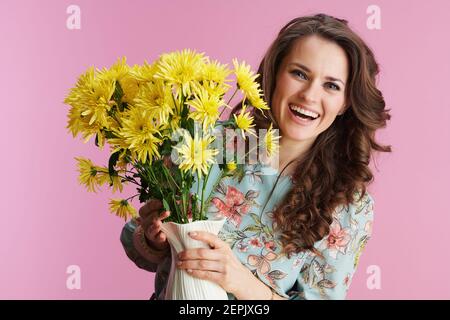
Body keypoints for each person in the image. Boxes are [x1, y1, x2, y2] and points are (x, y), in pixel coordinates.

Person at [120, 13, 391, 300]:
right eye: (299, 73)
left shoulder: (350, 204)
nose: (310, 96)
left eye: (331, 85)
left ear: (346, 102)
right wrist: (154, 238)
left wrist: (243, 284)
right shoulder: (209, 143)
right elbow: (138, 242)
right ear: (274, 74)